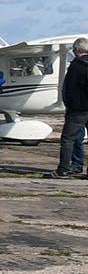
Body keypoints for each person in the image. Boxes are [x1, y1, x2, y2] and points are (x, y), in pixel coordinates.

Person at [48, 37, 88, 179]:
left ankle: (63, 168)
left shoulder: (76, 65)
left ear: (77, 50)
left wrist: (68, 105)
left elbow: (69, 89)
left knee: (67, 139)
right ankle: (77, 165)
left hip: (78, 110)